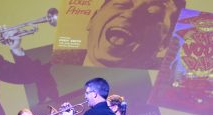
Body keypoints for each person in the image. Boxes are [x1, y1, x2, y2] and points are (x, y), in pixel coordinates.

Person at [53, 0, 186, 70]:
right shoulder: (55, 63)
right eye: (121, 4)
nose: (130, 15)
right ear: (92, 19)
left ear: (166, 41)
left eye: (153, 13)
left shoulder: (172, 82)